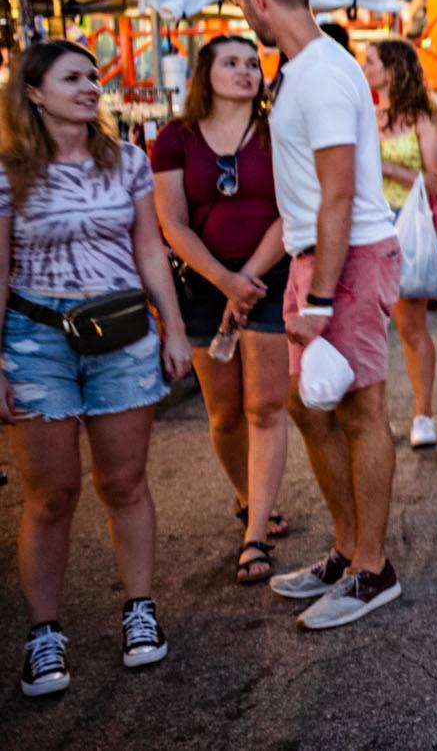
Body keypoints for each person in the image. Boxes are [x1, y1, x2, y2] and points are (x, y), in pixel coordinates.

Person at [2, 41, 193, 696]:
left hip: (121, 333)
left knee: (124, 483)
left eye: (92, 77)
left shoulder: (128, 162)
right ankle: (44, 632)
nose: (91, 87)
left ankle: (140, 610)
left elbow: (149, 248)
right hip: (36, 339)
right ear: (33, 92)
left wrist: (173, 328)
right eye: (73, 78)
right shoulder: (8, 172)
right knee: (50, 495)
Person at [222, 0, 404, 630]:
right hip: (319, 257)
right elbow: (308, 200)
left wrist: (321, 297)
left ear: (259, 1)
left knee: (357, 410)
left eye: (244, 6)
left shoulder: (323, 74)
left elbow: (337, 194)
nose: (247, 20)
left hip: (346, 255)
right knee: (310, 406)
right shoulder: (305, 73)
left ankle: (372, 568)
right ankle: (349, 549)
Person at [151, 36, 291, 586]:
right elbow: (172, 222)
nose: (246, 71)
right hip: (205, 284)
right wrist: (223, 280)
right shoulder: (174, 139)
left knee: (265, 408)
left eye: (253, 63)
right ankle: (246, 492)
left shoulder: (276, 132)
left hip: (268, 279)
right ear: (203, 73)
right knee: (225, 414)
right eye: (231, 62)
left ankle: (254, 531)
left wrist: (246, 280)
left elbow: (290, 211)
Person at [361, 39, 437, 450]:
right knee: (366, 330)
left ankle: (423, 414)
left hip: (405, 225)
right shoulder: (363, 114)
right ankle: (374, 418)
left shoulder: (421, 119)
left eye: (371, 62)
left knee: (410, 326)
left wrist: (387, 167)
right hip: (364, 225)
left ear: (393, 69)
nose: (365, 68)